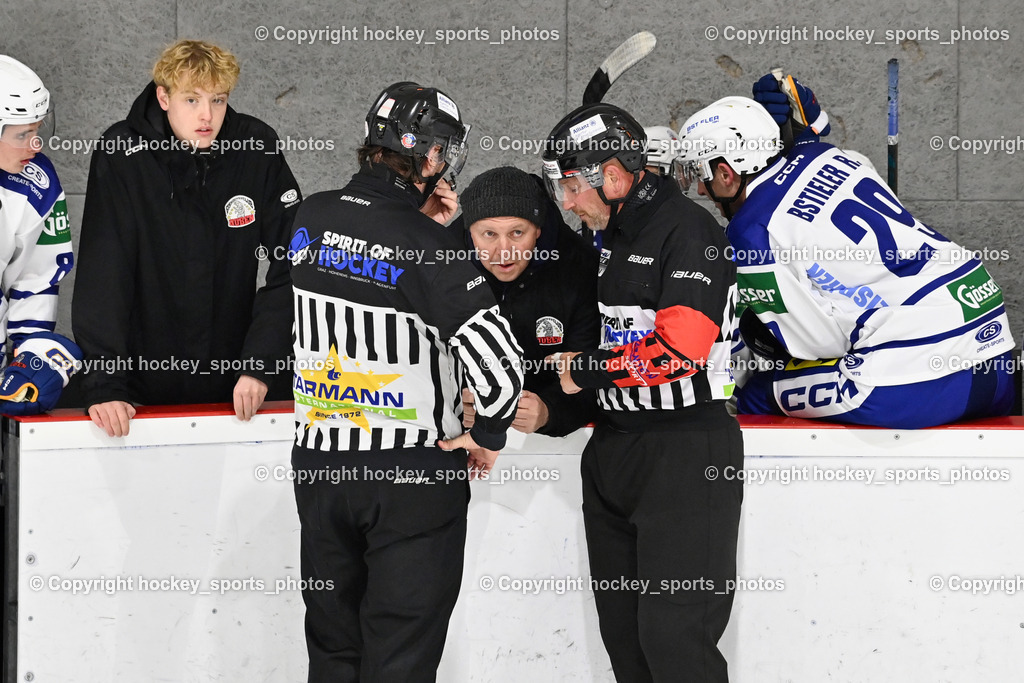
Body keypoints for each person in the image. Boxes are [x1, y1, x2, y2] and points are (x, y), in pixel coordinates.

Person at [288, 81, 523, 681]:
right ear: (432, 156)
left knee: (334, 646)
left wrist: (432, 237)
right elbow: (500, 368)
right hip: (410, 477)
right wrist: (488, 435)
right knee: (401, 654)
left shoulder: (309, 216)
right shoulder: (426, 243)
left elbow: (370, 256)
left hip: (320, 468)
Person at [541, 103, 743, 682]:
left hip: (685, 453)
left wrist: (588, 369)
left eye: (572, 186)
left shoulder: (690, 232)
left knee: (675, 643)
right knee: (625, 644)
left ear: (614, 173)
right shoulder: (609, 230)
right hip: (615, 451)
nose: (568, 201)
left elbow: (681, 352)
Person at [677, 95, 1015, 427]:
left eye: (699, 173)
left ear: (725, 172)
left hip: (921, 383)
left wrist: (757, 327)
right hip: (996, 356)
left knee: (758, 393)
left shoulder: (750, 232)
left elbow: (817, 344)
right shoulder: (824, 154)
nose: (702, 191)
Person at [72, 39, 301, 436]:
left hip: (238, 387)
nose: (207, 115)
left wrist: (262, 363)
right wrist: (105, 383)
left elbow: (296, 259)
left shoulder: (256, 147)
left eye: (218, 99)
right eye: (191, 100)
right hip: (140, 391)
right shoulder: (122, 152)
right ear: (163, 97)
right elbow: (103, 273)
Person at [454, 166, 598, 436]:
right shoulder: (441, 262)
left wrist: (549, 411)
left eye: (517, 233)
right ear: (469, 233)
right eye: (489, 235)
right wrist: (452, 402)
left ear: (538, 231)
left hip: (558, 449)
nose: (503, 251)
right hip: (459, 437)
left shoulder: (579, 268)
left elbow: (592, 370)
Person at [0, 55, 80, 413]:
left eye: (37, 131)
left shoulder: (38, 182)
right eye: (22, 135)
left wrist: (27, 357)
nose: (35, 147)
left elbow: (38, 278)